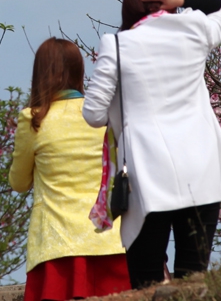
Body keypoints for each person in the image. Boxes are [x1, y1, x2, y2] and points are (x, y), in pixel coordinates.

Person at [81, 0, 221, 289]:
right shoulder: (195, 28)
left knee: (147, 280)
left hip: (148, 175)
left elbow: (93, 114)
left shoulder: (116, 45)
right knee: (193, 278)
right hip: (203, 168)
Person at [9, 38, 132, 300]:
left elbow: (18, 182)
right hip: (111, 241)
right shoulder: (102, 115)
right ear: (79, 70)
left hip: (57, 248)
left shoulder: (33, 118)